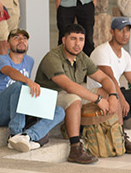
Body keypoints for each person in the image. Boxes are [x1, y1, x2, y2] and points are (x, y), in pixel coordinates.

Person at [35, 24, 122, 164]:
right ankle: (75, 148)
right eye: (73, 39)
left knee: (106, 91)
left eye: (81, 39)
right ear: (64, 40)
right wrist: (97, 99)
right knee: (74, 98)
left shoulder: (81, 57)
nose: (77, 44)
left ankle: (119, 134)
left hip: (67, 94)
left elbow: (104, 78)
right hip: (48, 97)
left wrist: (113, 95)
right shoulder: (52, 57)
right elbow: (68, 86)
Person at [0, 28, 65, 152]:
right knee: (19, 86)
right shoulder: (1, 59)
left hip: (15, 107)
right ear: (7, 44)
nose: (21, 40)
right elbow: (11, 72)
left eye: (25, 38)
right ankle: (15, 134)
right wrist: (28, 81)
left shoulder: (29, 60)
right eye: (16, 38)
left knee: (59, 111)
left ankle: (28, 136)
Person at [87, 17, 131, 153]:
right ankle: (122, 136)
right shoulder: (102, 51)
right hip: (99, 92)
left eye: (128, 31)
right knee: (117, 97)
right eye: (121, 31)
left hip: (116, 91)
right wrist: (122, 98)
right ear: (112, 32)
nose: (125, 34)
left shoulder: (125, 55)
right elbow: (110, 79)